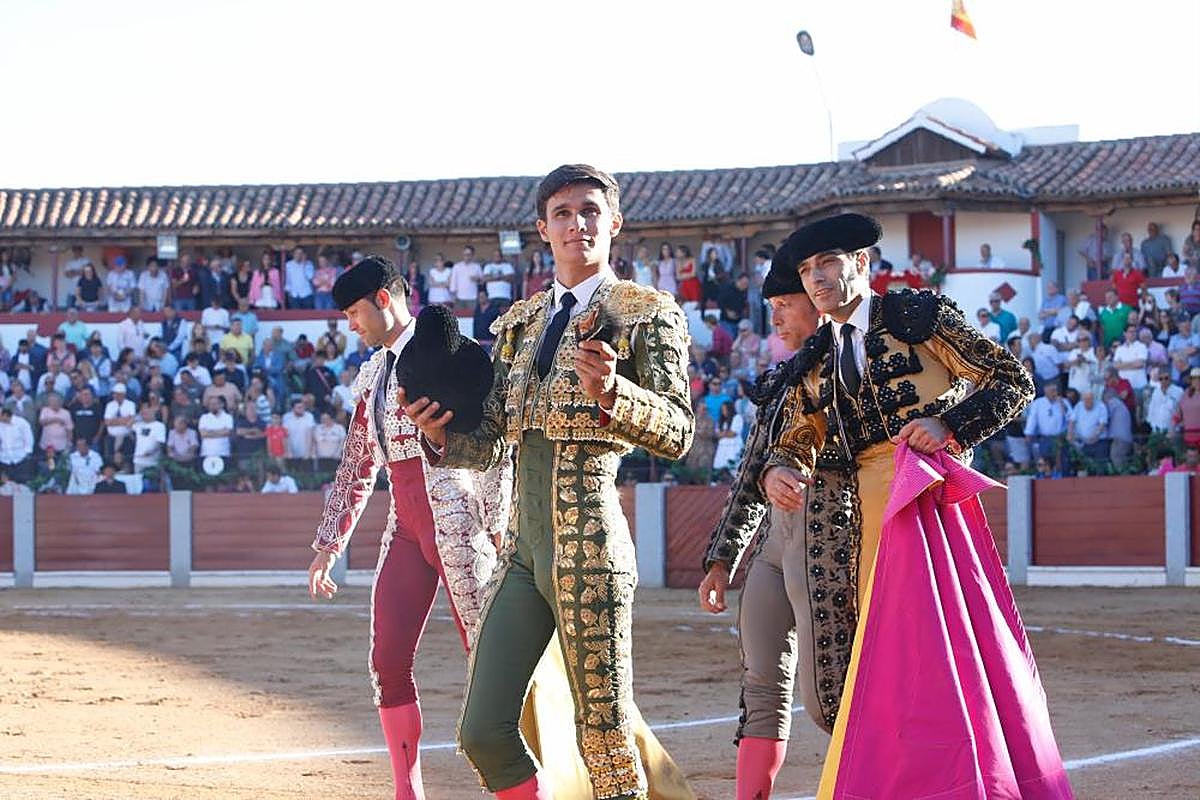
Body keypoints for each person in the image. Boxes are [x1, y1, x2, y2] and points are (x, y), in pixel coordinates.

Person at [699, 213, 1067, 799]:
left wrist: (948, 423)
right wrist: (779, 470)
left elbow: (1010, 379)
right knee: (875, 659)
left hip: (919, 501)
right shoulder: (817, 355)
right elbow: (796, 437)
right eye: (806, 270)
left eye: (827, 264)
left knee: (935, 650)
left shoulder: (915, 318)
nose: (816, 278)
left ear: (862, 264)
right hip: (851, 520)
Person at [403, 165, 695, 799]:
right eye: (563, 214)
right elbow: (486, 448)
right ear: (543, 229)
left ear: (614, 223)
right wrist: (439, 436)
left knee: (605, 733)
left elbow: (679, 433)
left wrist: (614, 393)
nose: (577, 224)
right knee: (482, 730)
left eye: (590, 211)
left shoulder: (648, 314)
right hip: (523, 552)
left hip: (590, 547)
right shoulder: (521, 324)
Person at [306, 256, 513, 799]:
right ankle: (407, 791)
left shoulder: (449, 353)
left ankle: (524, 786)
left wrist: (498, 525)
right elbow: (356, 462)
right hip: (406, 525)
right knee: (387, 660)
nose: (349, 324)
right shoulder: (373, 373)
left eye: (353, 311)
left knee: (487, 656)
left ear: (382, 299)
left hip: (459, 519)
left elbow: (496, 445)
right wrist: (330, 543)